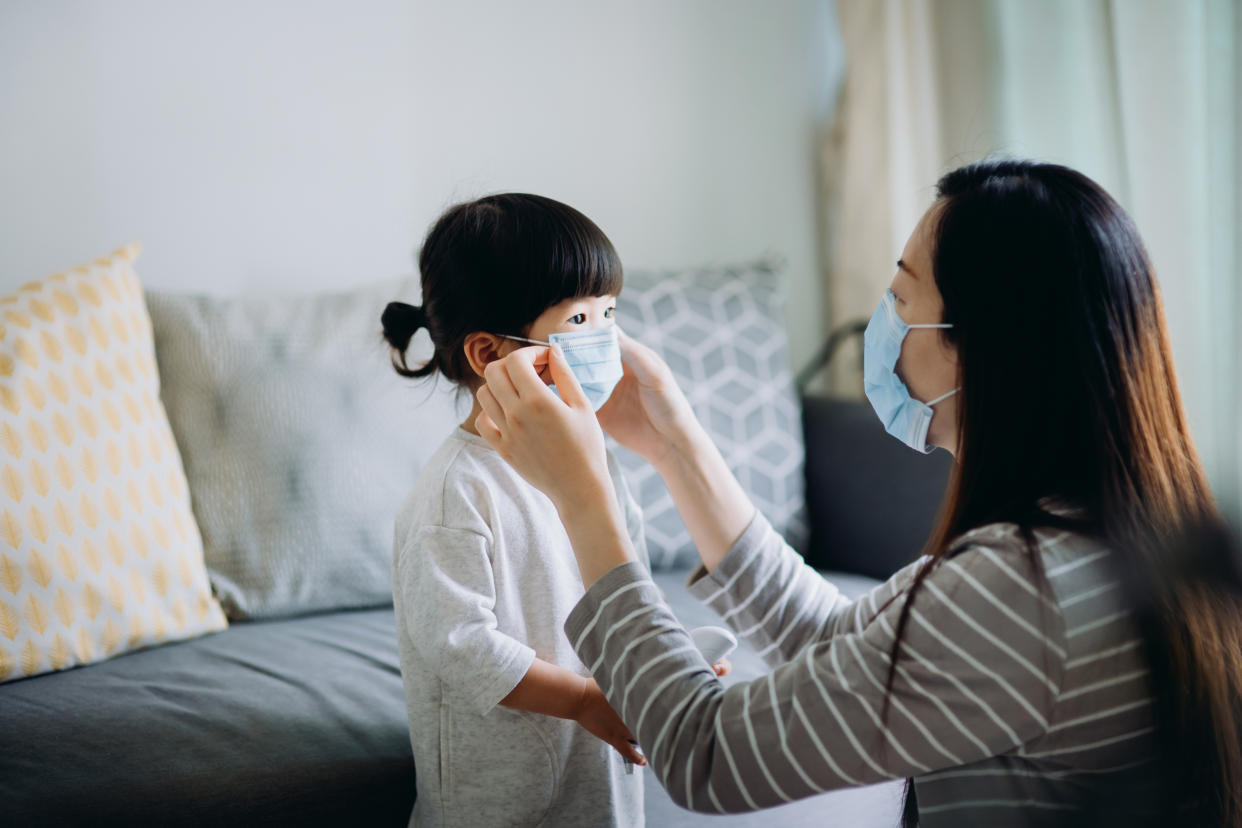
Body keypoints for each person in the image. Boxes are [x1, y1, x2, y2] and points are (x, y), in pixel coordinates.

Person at [471, 160, 1242, 826]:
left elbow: (709, 753)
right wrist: (676, 446)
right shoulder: (1114, 537)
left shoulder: (1018, 587)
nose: (885, 323)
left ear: (980, 346)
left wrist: (585, 496)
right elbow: (849, 654)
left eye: (903, 300)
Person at [383, 193, 658, 828]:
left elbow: (627, 578)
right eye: (580, 322)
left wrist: (664, 662)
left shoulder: (596, 459)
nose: (608, 340)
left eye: (610, 312)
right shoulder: (455, 492)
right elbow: (461, 645)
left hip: (600, 780)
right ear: (488, 355)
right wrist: (586, 700)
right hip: (499, 798)